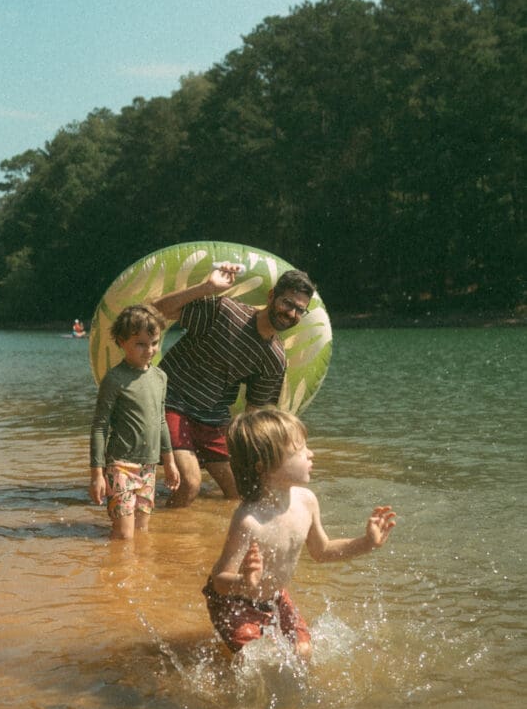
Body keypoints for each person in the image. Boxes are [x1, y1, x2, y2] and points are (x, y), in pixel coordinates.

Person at [202, 407, 396, 658]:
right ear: (264, 466)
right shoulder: (249, 521)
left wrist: (366, 542)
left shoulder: (306, 501)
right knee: (257, 658)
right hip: (235, 601)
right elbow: (220, 581)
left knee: (303, 651)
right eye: (299, 450)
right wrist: (245, 582)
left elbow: (322, 551)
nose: (310, 453)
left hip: (275, 596)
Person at [152, 262, 315, 506]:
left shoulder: (275, 359)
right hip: (172, 399)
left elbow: (253, 415)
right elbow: (158, 310)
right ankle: (158, 528)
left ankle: (193, 527)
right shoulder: (226, 312)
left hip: (212, 416)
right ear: (272, 296)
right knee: (190, 484)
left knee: (241, 492)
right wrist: (207, 287)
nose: (292, 313)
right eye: (288, 303)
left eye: (300, 310)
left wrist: (260, 460)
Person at [89, 304, 180, 539]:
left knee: (142, 532)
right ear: (121, 342)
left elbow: (161, 421)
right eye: (140, 344)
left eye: (154, 343)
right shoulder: (114, 379)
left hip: (149, 467)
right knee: (124, 536)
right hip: (120, 466)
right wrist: (97, 474)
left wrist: (169, 462)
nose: (149, 350)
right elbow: (100, 426)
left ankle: (137, 565)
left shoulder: (160, 377)